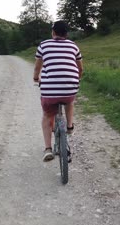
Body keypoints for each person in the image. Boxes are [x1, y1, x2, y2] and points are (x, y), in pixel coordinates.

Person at [33, 20, 83, 162]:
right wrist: (75, 79)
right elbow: (80, 69)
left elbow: (37, 68)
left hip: (49, 90)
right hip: (70, 87)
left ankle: (48, 149)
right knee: (70, 101)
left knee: (47, 116)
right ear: (67, 34)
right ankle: (69, 126)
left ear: (53, 32)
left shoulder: (43, 45)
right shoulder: (74, 46)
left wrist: (36, 78)